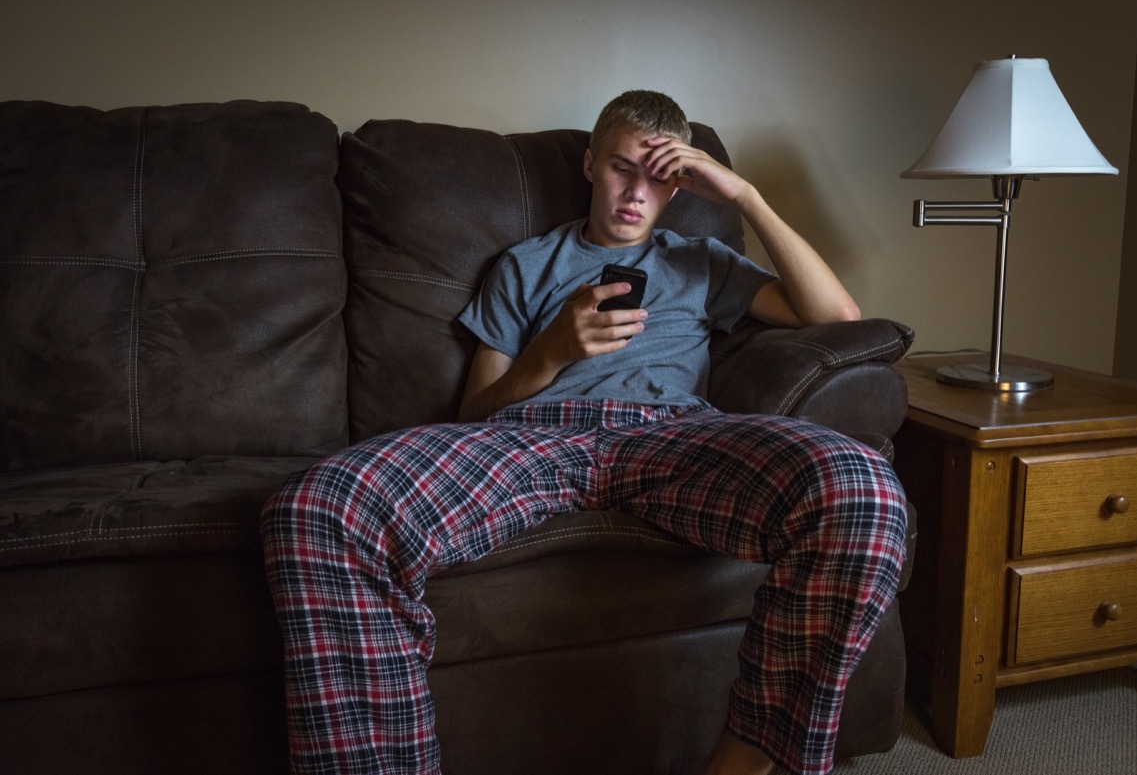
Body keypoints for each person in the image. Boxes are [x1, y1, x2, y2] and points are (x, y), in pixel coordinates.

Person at [261, 91, 908, 775]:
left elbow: (838, 314)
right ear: (591, 164)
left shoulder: (701, 260)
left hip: (670, 438)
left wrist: (745, 195)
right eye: (624, 168)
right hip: (531, 438)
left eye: (661, 177)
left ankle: (738, 764)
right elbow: (475, 411)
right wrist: (550, 352)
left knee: (862, 490)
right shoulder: (524, 265)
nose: (638, 192)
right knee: (320, 507)